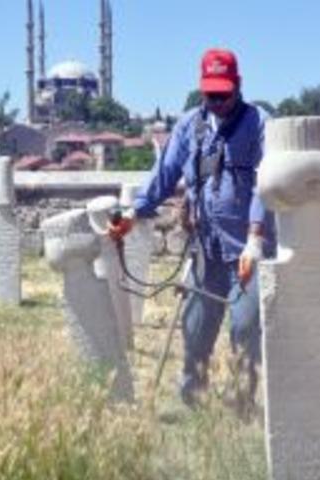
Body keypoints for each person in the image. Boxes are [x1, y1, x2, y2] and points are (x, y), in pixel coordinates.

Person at [109, 48, 272, 409]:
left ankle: (241, 403)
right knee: (195, 326)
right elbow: (164, 174)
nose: (217, 101)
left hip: (246, 252)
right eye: (210, 94)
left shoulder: (259, 123)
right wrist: (134, 214)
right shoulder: (189, 126)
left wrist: (255, 238)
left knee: (245, 327)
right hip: (205, 249)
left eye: (223, 94)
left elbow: (266, 184)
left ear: (238, 85)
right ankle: (193, 401)